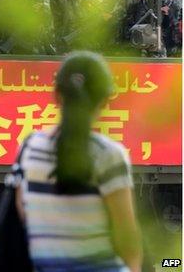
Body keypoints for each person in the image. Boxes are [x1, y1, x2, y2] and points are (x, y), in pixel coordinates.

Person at [15, 51, 142, 272]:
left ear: (56, 96)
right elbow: (127, 239)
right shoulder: (108, 155)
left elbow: (22, 211)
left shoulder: (29, 147)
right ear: (104, 101)